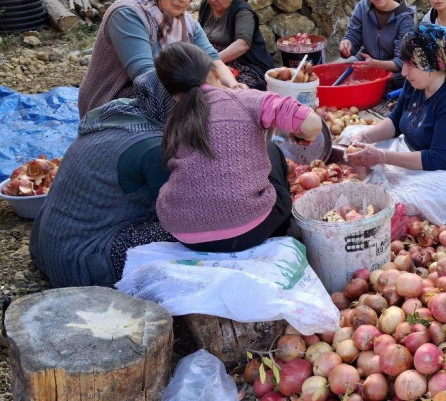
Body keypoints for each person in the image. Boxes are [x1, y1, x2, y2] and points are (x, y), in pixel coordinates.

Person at [154, 42, 323, 253]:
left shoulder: (174, 120)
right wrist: (299, 133)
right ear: (216, 73)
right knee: (272, 150)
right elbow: (313, 124)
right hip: (248, 229)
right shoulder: (245, 99)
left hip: (186, 233)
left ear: (174, 95)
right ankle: (283, 229)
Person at [31, 72, 177, 287]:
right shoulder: (153, 146)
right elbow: (176, 214)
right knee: (190, 232)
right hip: (80, 263)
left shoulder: (120, 112)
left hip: (50, 248)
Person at [347, 24, 446, 213]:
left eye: (412, 64)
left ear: (434, 64)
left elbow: (437, 159)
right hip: (420, 152)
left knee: (401, 201)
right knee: (350, 135)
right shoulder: (416, 83)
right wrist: (365, 137)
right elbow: (395, 121)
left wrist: (381, 157)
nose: (403, 72)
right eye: (405, 63)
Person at [78, 0, 245, 117]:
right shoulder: (127, 14)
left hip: (164, 93)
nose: (181, 0)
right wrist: (209, 96)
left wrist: (231, 85)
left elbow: (213, 59)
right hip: (112, 101)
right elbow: (145, 77)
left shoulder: (188, 24)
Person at [198, 0, 274, 90]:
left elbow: (242, 45)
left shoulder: (243, 11)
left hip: (245, 65)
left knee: (232, 90)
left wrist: (212, 62)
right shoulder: (206, 6)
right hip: (214, 60)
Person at [338, 0, 415, 90]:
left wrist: (375, 64)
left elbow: (401, 61)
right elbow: (352, 36)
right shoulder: (362, 7)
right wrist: (347, 44)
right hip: (366, 63)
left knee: (400, 80)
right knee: (341, 70)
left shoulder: (405, 17)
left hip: (391, 70)